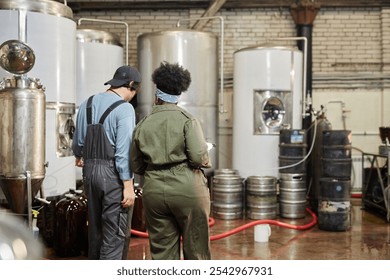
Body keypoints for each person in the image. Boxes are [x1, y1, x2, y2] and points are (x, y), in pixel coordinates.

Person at [130, 61, 212, 260]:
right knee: (197, 249)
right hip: (188, 189)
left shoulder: (142, 124)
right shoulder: (187, 120)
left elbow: (136, 164)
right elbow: (197, 157)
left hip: (154, 191)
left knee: (162, 252)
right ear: (178, 95)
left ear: (157, 95)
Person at [72, 65, 141, 260]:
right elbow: (123, 152)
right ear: (130, 86)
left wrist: (80, 155)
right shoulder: (125, 109)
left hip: (89, 173)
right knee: (114, 235)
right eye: (134, 91)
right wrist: (128, 185)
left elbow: (78, 141)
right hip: (112, 177)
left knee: (95, 231)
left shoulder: (87, 103)